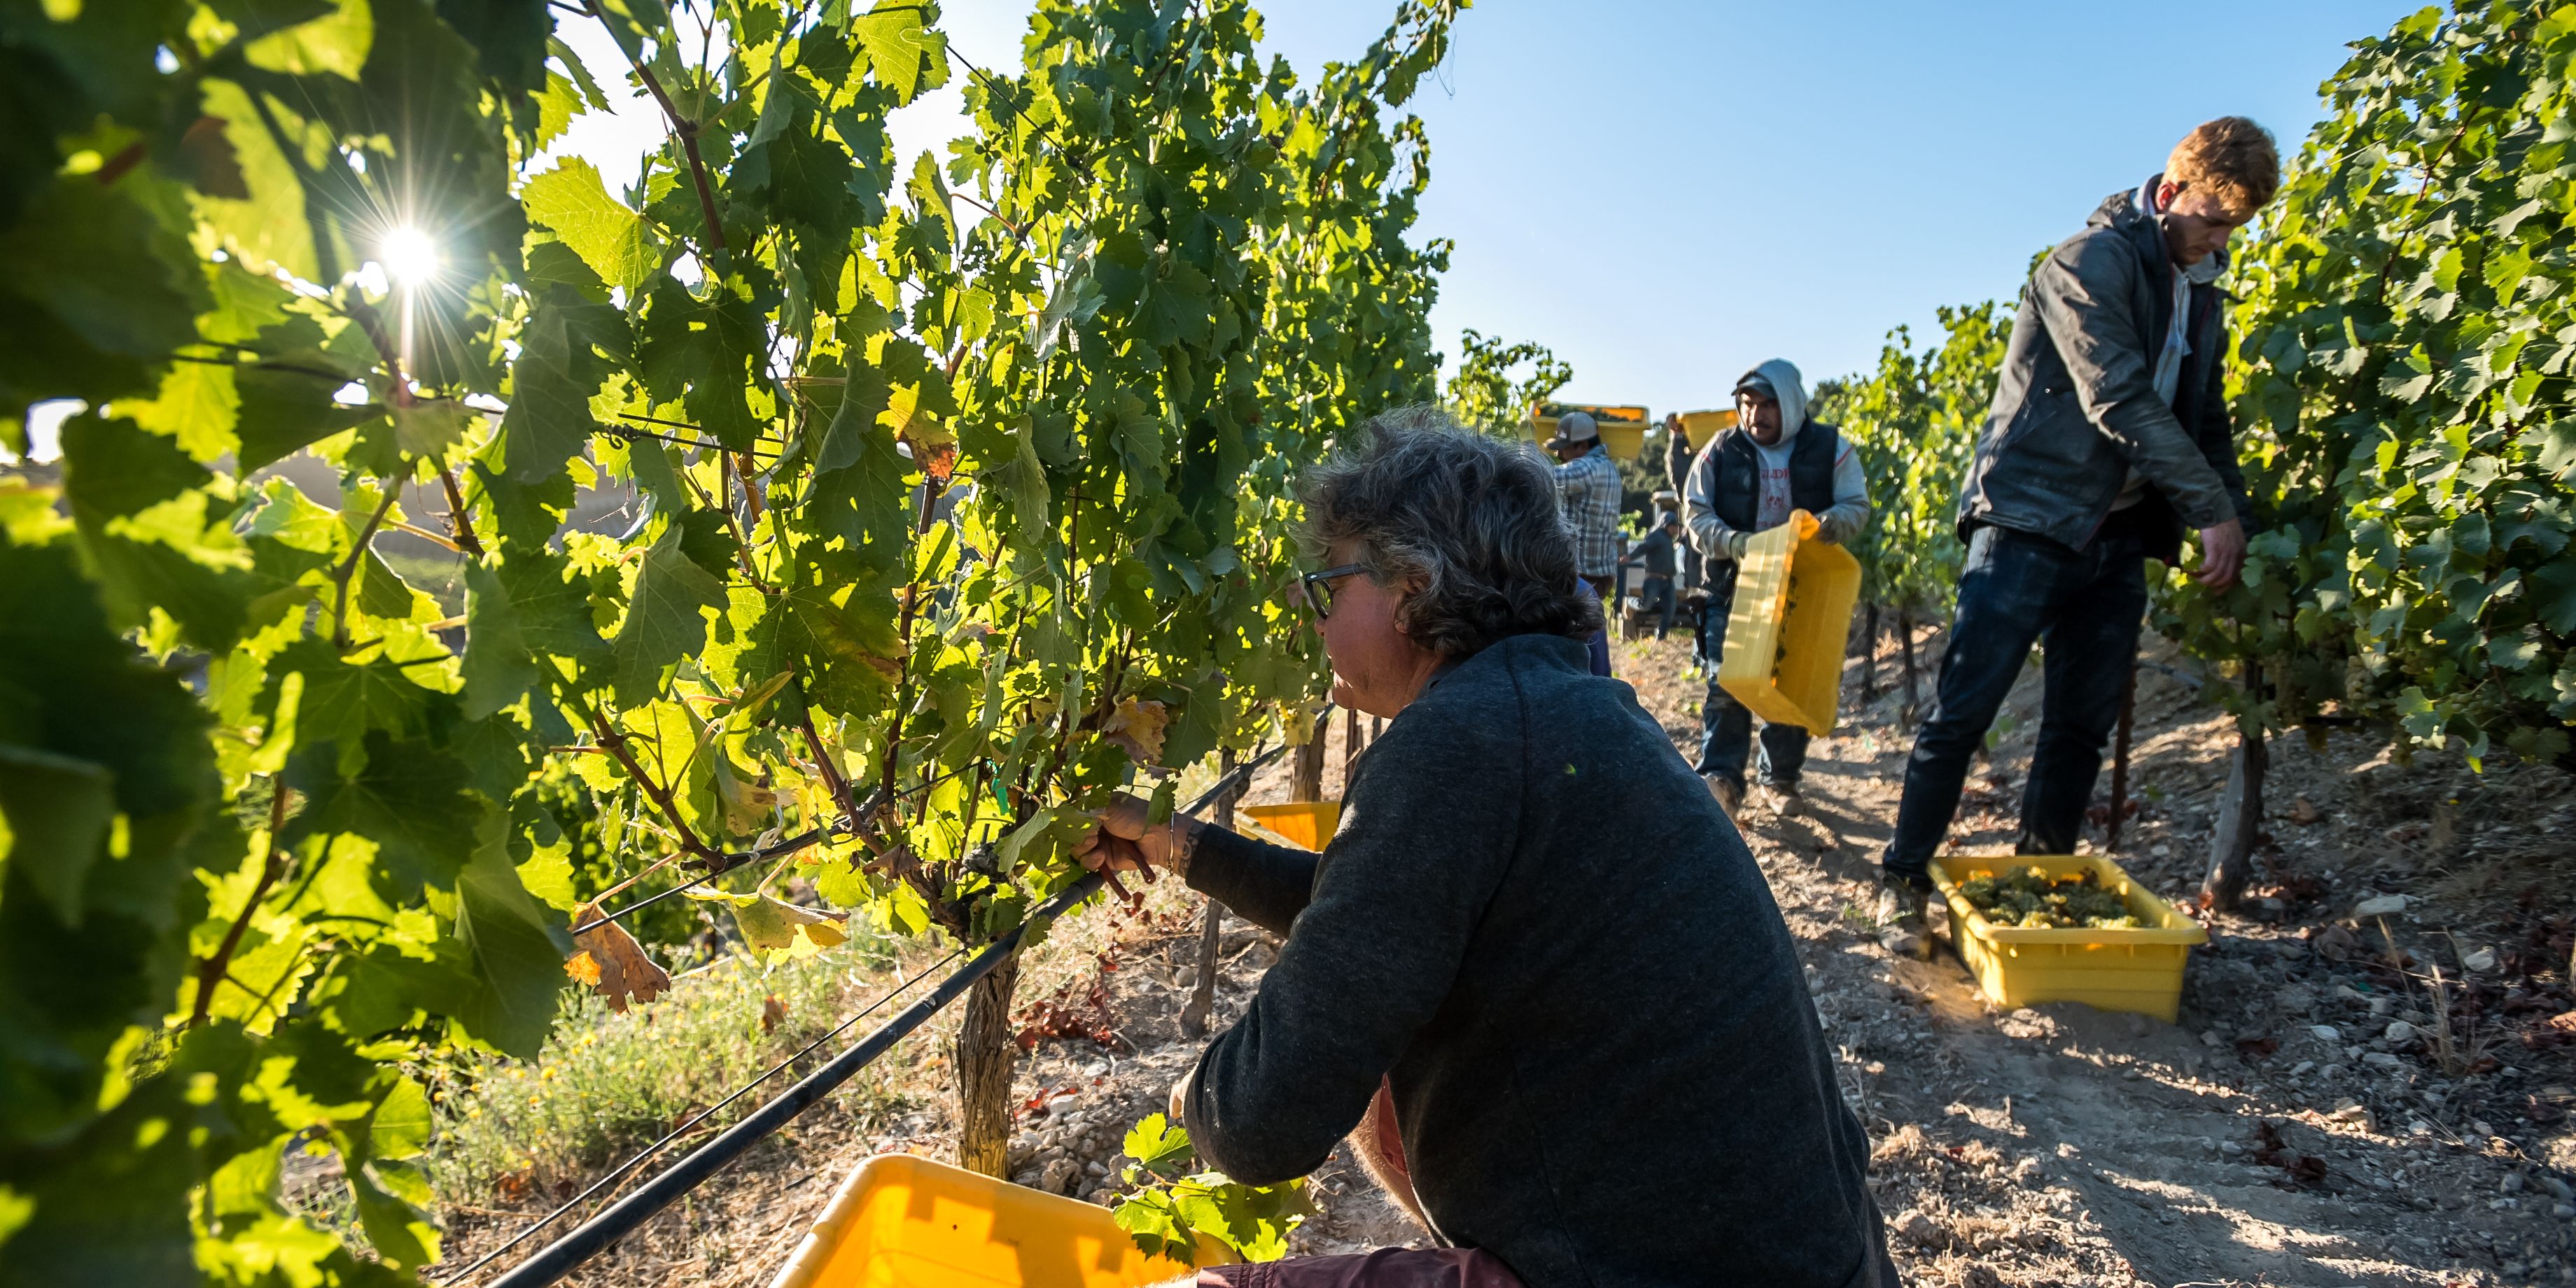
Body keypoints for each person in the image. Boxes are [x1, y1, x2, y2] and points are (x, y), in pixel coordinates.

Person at [1078, 410, 1897, 1288]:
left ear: (1413, 587)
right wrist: (1180, 845)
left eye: (1329, 587)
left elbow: (1260, 1124)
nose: (1311, 616)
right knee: (1395, 1089)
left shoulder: (1455, 744)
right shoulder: (1573, 708)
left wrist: (1198, 1096)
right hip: (1815, 1259)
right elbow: (1374, 910)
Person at [1875, 118, 2276, 958]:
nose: (2218, 241)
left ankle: (2035, 892)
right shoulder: (2084, 264)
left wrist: (2232, 515)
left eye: (2233, 229)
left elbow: (2204, 418)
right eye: (2210, 220)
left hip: (2117, 535)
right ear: (2168, 194)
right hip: (2028, 517)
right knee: (1962, 711)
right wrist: (2208, 508)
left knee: (2076, 729)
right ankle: (1901, 882)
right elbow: (2118, 400)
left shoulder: (2198, 291)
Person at [1680, 360, 1869, 820]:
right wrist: (1734, 543)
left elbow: (1855, 505)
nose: (1754, 414)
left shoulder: (1830, 449)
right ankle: (1722, 778)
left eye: (1766, 404)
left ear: (1789, 403)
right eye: (1747, 404)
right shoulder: (1721, 451)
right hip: (1733, 585)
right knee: (1726, 682)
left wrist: (1834, 524)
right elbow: (1696, 514)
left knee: (1788, 680)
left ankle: (1779, 779)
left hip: (1799, 585)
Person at [1545, 410, 1620, 677]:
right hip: (1598, 572)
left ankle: (1592, 687)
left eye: (1564, 449)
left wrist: (1520, 459)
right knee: (1588, 639)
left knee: (1578, 645)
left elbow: (1544, 479)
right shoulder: (1607, 467)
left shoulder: (1590, 468)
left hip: (1585, 573)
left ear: (1582, 446)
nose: (1559, 455)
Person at [1618, 508, 1681, 640]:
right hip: (1654, 580)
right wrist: (1630, 557)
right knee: (1645, 606)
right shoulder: (1657, 536)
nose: (1676, 529)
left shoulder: (1669, 539)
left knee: (1670, 610)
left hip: (1668, 581)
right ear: (1666, 525)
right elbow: (1644, 547)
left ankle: (1661, 638)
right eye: (1674, 526)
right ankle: (1629, 601)